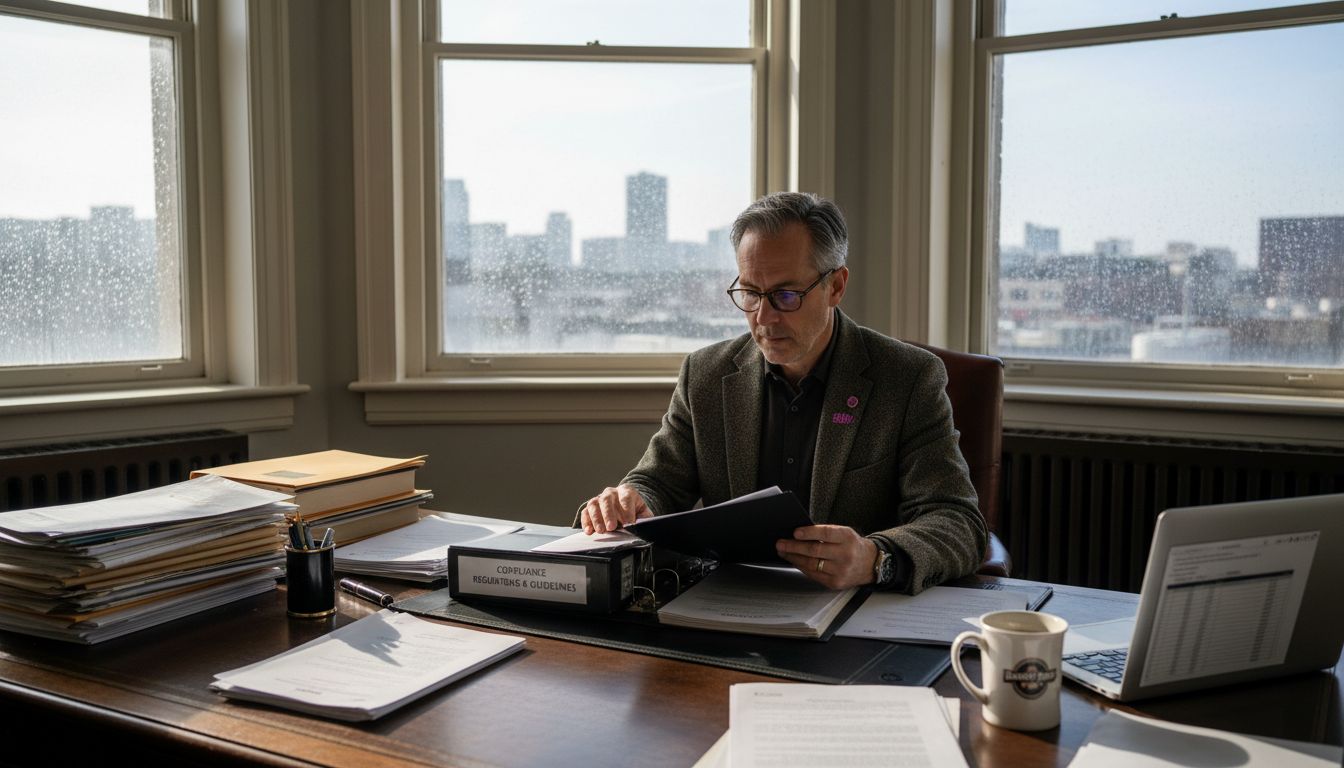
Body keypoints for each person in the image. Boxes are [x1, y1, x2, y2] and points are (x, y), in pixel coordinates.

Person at [579, 192, 986, 594]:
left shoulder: (908, 377)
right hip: (729, 605)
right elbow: (659, 483)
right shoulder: (705, 374)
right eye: (751, 294)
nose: (764, 318)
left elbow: (956, 521)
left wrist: (875, 559)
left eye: (786, 295)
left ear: (836, 286)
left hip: (852, 614)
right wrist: (630, 500)